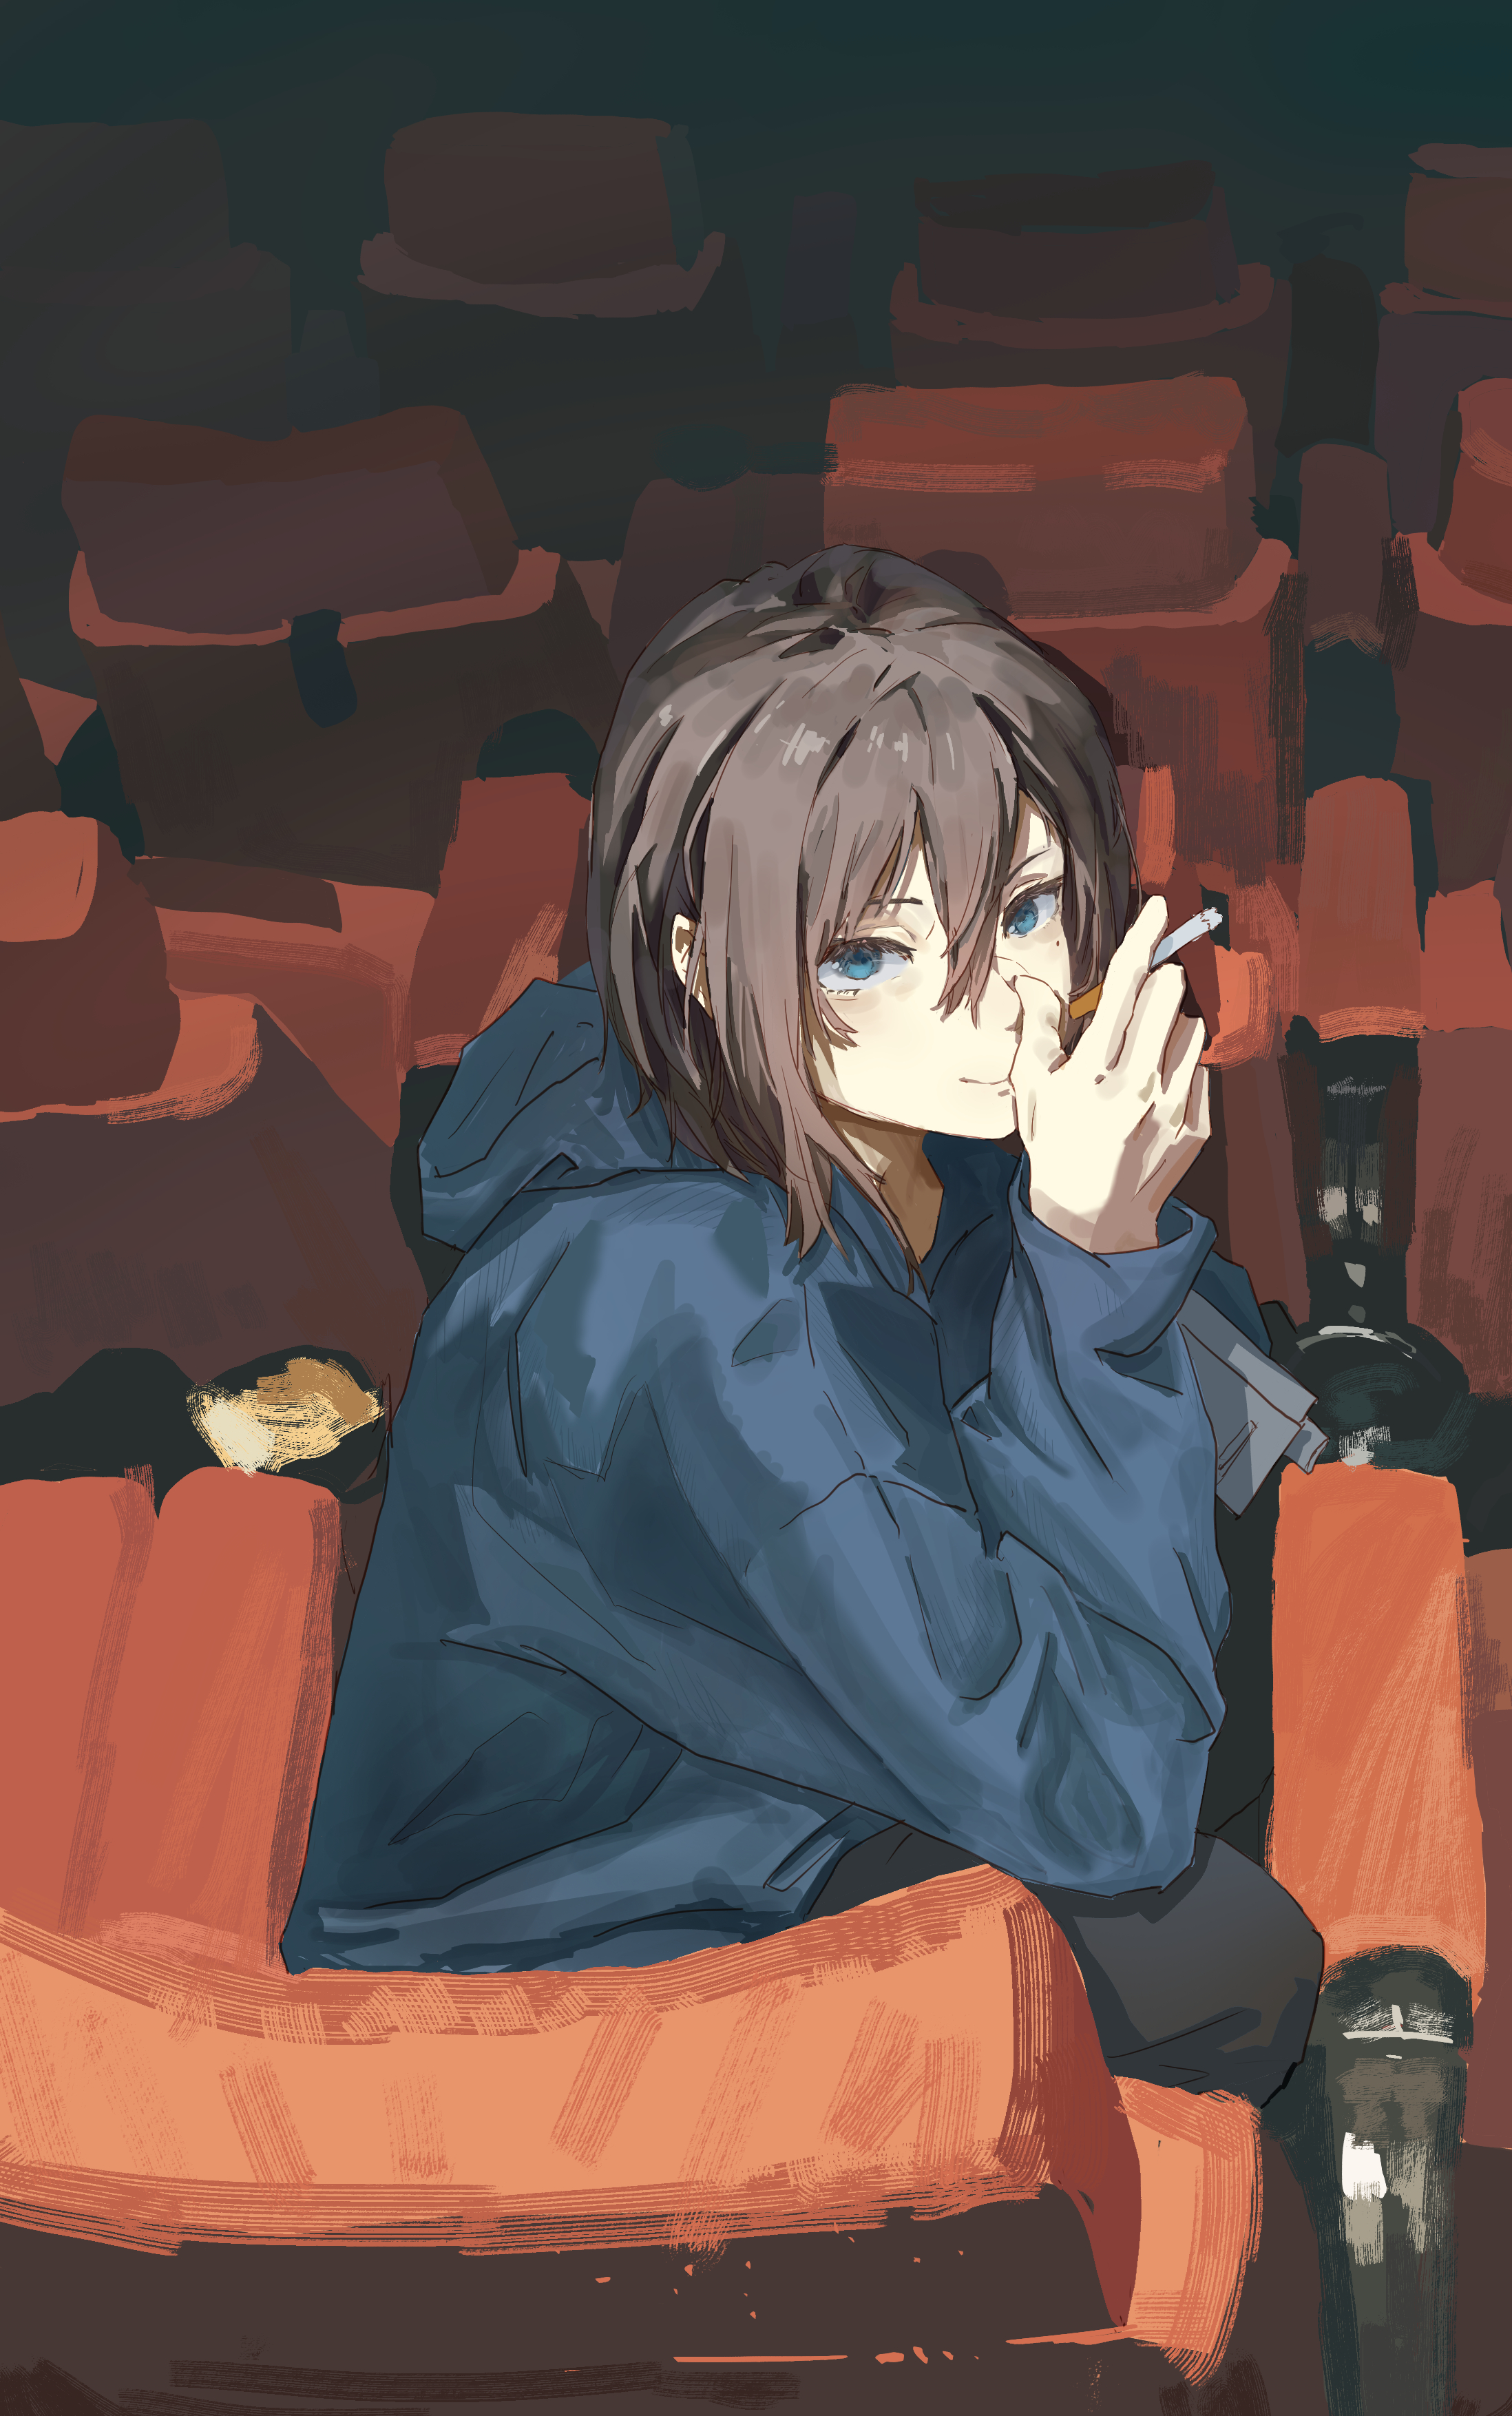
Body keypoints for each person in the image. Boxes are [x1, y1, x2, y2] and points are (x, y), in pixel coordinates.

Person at [281, 546, 1321, 2107]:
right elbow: (1105, 1802)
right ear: (702, 964)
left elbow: (1217, 1427)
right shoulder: (682, 1297)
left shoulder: (907, 1130)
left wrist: (1094, 1258)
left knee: (1250, 1669)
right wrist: (1096, 1259)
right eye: (868, 954)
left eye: (1026, 911)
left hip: (783, 1774)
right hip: (568, 1946)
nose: (991, 1005)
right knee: (1225, 1958)